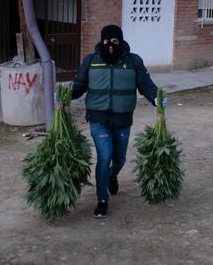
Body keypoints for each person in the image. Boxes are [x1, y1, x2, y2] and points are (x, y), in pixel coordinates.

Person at [71, 24, 167, 218]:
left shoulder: (133, 61)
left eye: (115, 41)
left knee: (120, 158)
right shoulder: (91, 61)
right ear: (101, 41)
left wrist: (156, 97)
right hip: (98, 119)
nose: (110, 45)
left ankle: (112, 175)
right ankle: (102, 199)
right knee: (105, 156)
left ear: (121, 41)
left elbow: (145, 85)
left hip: (123, 119)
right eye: (106, 41)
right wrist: (66, 94)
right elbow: (79, 86)